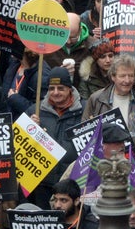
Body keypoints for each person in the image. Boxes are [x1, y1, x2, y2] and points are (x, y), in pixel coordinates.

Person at [26, 67, 85, 209]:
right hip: (43, 182)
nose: (56, 92)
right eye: (51, 88)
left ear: (70, 88)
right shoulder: (35, 110)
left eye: (61, 88)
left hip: (72, 182)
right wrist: (30, 128)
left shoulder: (84, 109)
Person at [83, 53, 135, 138]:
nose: (127, 80)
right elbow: (84, 131)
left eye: (131, 76)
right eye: (122, 76)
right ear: (113, 77)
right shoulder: (96, 99)